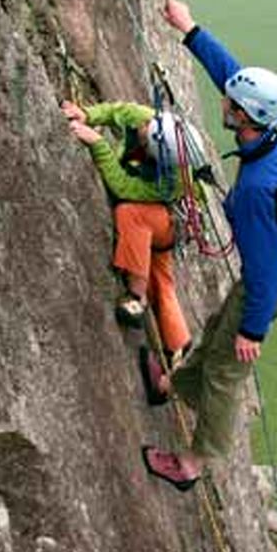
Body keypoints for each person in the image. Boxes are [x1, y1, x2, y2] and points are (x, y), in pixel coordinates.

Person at [141, 0, 277, 492]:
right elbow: (233, 74)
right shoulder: (275, 125)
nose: (223, 100)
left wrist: (254, 333)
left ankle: (193, 465)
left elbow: (263, 274)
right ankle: (171, 385)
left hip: (276, 280)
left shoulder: (261, 191)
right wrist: (189, 29)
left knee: (226, 368)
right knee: (219, 327)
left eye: (230, 104)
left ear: (242, 116)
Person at [64, 100, 193, 363]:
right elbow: (118, 111)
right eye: (145, 126)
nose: (142, 127)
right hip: (164, 221)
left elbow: (123, 188)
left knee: (131, 214)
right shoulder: (152, 122)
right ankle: (179, 347)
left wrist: (98, 144)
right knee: (163, 282)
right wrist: (87, 113)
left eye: (146, 136)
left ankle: (136, 295)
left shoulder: (172, 180)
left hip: (167, 222)